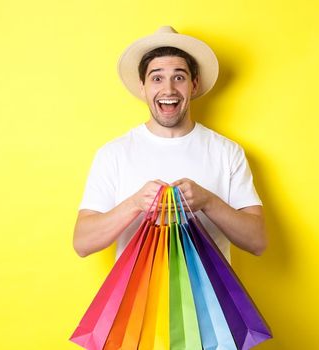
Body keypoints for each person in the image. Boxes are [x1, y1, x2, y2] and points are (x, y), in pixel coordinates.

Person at [72, 26, 266, 261]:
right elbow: (82, 243)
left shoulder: (227, 152)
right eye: (157, 78)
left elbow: (257, 241)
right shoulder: (113, 154)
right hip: (137, 299)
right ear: (142, 87)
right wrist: (134, 204)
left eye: (179, 77)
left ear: (193, 84)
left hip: (208, 298)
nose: (168, 89)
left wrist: (207, 201)